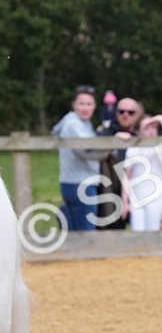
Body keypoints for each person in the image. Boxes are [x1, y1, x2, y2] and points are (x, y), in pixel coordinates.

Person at [52, 86, 100, 230]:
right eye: (81, 103)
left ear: (94, 106)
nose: (85, 108)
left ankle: (65, 216)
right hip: (80, 184)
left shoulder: (83, 123)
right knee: (86, 232)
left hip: (73, 182)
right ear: (74, 104)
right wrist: (107, 151)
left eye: (89, 104)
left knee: (74, 233)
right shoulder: (73, 124)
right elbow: (86, 150)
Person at [123, 112, 162, 231]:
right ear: (138, 131)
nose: (151, 131)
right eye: (147, 128)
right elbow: (127, 176)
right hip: (136, 198)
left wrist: (160, 118)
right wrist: (125, 202)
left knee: (153, 230)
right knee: (137, 231)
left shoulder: (160, 147)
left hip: (156, 196)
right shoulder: (133, 149)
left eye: (154, 127)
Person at [95, 97, 142, 228]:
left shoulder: (142, 132)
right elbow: (93, 154)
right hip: (107, 193)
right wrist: (113, 141)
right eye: (121, 111)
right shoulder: (105, 131)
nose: (125, 115)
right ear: (116, 113)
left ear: (137, 114)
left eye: (130, 112)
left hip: (136, 192)